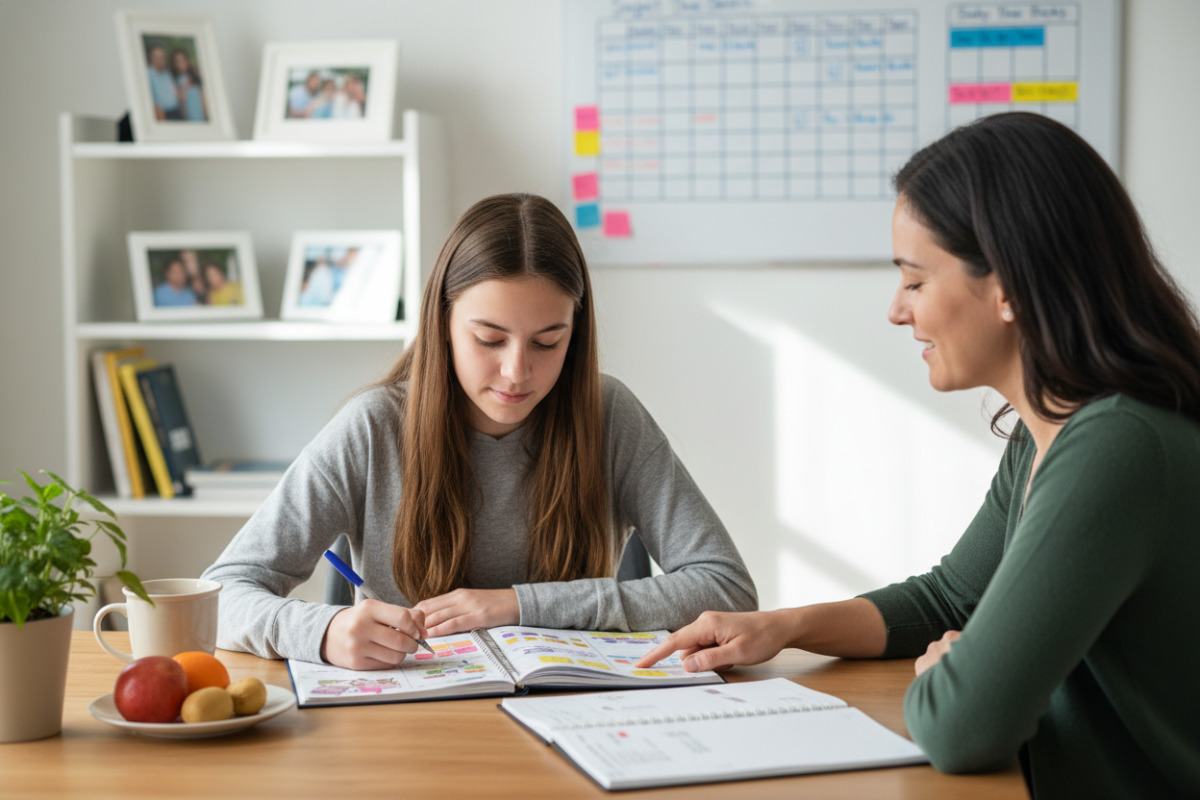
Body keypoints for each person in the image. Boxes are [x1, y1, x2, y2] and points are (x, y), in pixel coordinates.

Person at [636, 112, 1200, 797]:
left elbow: (963, 727)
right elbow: (950, 598)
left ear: (1008, 289)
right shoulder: (1047, 431)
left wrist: (946, 675)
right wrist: (782, 627)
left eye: (915, 279)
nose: (897, 311)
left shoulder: (1115, 447)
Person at [202, 193, 757, 671]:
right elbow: (221, 594)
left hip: (578, 717)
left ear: (575, 333)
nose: (518, 371)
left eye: (548, 342)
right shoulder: (373, 427)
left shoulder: (608, 414)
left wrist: (519, 605)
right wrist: (322, 634)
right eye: (489, 339)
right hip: (411, 733)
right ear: (442, 324)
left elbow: (727, 587)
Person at [145, 44, 181, 121]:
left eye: (162, 57)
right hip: (162, 115)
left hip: (176, 111)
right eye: (157, 57)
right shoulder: (147, 74)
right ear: (151, 58)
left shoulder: (167, 73)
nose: (160, 60)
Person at [171, 48, 207, 123]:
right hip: (190, 116)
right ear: (175, 64)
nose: (181, 63)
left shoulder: (196, 74)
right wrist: (184, 88)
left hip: (202, 114)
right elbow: (180, 99)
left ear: (187, 60)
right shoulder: (176, 80)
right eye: (178, 61)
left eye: (183, 60)